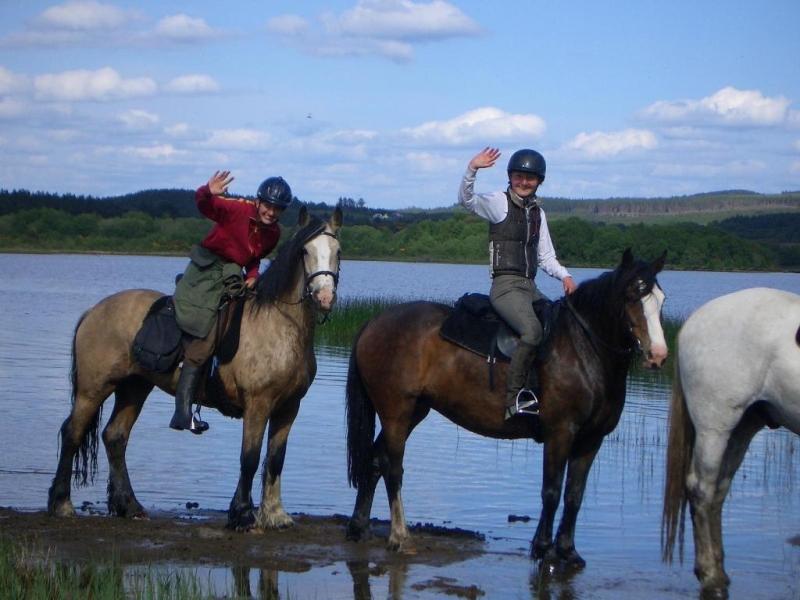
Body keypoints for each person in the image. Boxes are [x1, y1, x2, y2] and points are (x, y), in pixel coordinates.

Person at [169, 170, 293, 434]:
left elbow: (255, 257)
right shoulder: (236, 209)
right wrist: (206, 191)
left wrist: (253, 275)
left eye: (277, 209)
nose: (271, 212)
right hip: (207, 267)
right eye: (268, 205)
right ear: (258, 202)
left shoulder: (274, 233)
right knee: (206, 323)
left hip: (232, 272)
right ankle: (182, 412)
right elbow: (206, 206)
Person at [458, 147, 577, 420]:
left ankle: (543, 388)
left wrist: (566, 276)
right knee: (533, 332)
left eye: (530, 178)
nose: (524, 182)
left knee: (557, 326)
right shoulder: (498, 203)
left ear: (539, 182)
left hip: (530, 287)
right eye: (518, 176)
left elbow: (545, 256)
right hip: (506, 286)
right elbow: (466, 200)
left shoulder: (538, 214)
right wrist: (472, 168)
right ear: (510, 177)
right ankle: (513, 400)